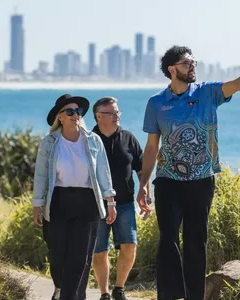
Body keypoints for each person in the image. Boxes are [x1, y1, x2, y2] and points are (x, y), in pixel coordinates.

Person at [136, 45, 240, 300]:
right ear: (172, 70)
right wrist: (143, 182)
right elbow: (151, 147)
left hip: (201, 182)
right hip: (168, 180)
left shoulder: (207, 93)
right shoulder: (157, 103)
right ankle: (169, 295)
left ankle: (194, 296)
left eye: (194, 62)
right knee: (168, 237)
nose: (193, 67)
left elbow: (237, 84)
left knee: (196, 242)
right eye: (187, 63)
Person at [31, 94, 117, 300]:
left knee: (80, 257)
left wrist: (111, 201)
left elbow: (103, 173)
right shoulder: (49, 142)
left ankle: (71, 296)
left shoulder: (93, 140)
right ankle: (61, 288)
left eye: (78, 111)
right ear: (59, 117)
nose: (75, 115)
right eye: (69, 111)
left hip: (87, 203)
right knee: (58, 255)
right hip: (58, 201)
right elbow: (41, 175)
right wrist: (37, 205)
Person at [91, 96, 150, 300]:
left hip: (125, 203)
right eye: (112, 113)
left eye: (118, 112)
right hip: (96, 205)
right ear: (99, 116)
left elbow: (141, 169)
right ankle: (104, 293)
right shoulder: (89, 140)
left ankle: (119, 289)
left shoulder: (128, 138)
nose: (117, 116)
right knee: (100, 250)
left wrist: (145, 192)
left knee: (130, 245)